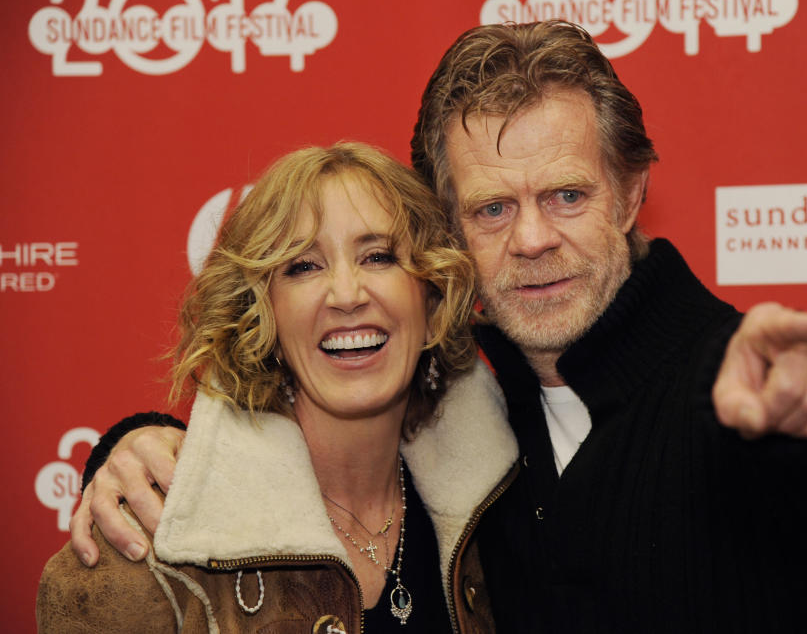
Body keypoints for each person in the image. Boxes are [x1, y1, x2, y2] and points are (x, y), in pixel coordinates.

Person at [68, 21, 807, 633]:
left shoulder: (735, 383)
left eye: (567, 195)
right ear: (447, 231)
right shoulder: (466, 401)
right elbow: (303, 444)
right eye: (491, 207)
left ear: (630, 194)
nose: (533, 238)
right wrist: (139, 442)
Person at [37, 143, 519, 633]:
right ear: (262, 317)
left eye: (377, 257)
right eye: (303, 266)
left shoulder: (504, 504)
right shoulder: (148, 553)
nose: (348, 295)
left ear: (432, 297)